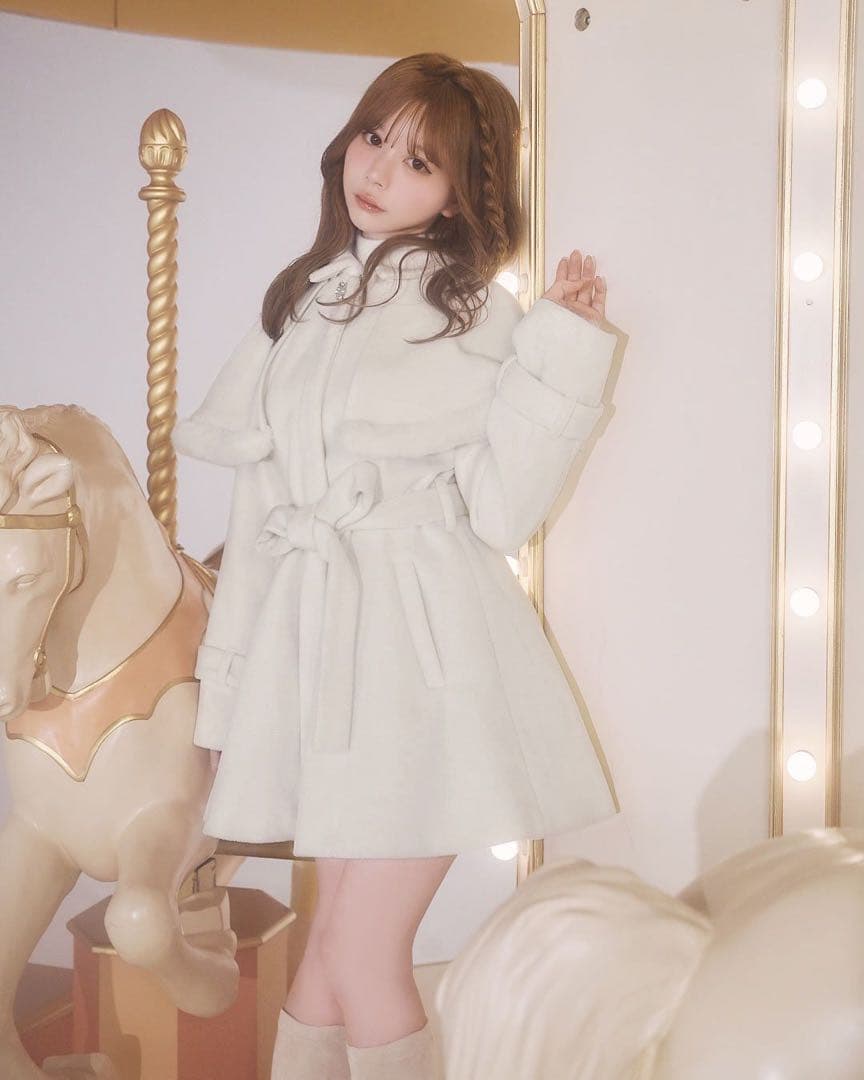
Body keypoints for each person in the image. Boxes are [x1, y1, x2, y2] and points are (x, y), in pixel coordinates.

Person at [173, 52, 619, 1080]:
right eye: (375, 137)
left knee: (363, 955)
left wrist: (562, 348)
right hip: (319, 659)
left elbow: (502, 508)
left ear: (460, 193)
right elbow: (263, 518)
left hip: (427, 670)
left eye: (420, 161)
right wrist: (227, 701)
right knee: (329, 954)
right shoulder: (303, 306)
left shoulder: (476, 314)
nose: (377, 170)